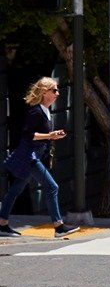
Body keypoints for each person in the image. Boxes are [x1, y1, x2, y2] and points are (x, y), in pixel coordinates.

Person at [2, 77, 74, 237]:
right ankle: (58, 226)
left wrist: (52, 137)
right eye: (54, 90)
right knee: (52, 187)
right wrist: (50, 135)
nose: (57, 93)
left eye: (57, 90)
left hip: (35, 156)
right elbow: (29, 135)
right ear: (44, 92)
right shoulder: (36, 111)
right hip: (30, 157)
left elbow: (43, 136)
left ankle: (2, 223)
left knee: (15, 189)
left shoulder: (47, 111)